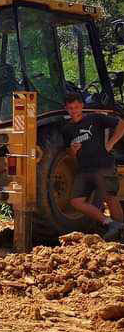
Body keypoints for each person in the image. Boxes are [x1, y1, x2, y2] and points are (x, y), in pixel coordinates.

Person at [62, 92, 124, 239]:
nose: (74, 111)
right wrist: (72, 150)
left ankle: (121, 235)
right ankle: (110, 223)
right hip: (85, 170)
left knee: (110, 198)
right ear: (66, 109)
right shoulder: (67, 130)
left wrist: (110, 143)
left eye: (76, 107)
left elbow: (121, 123)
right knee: (76, 201)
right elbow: (69, 153)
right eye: (71, 108)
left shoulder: (95, 118)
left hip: (103, 166)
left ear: (82, 106)